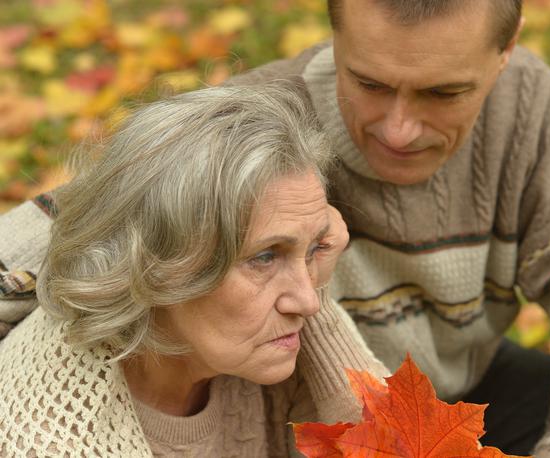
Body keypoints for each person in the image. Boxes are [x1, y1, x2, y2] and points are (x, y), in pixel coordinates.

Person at [1, 0, 550, 456]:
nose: (398, 128)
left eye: (442, 93)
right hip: (317, 417)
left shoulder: (528, 113)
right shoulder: (254, 132)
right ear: (336, 34)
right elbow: (92, 229)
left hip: (453, 392)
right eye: (369, 83)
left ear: (504, 54)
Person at [0, 84, 389, 456]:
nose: (308, 302)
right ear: (154, 265)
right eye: (265, 257)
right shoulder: (47, 440)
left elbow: (392, 444)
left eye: (314, 249)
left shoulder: (246, 349)